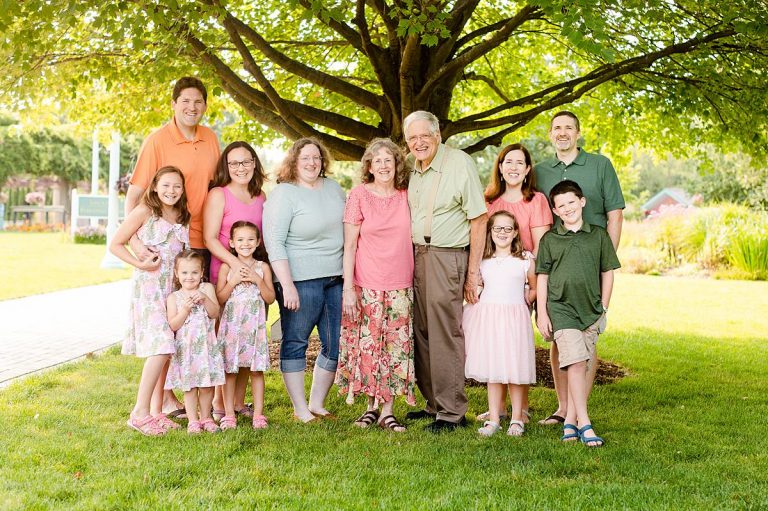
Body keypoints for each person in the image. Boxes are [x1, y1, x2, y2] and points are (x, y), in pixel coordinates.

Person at [125, 76, 221, 419]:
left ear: (205, 105)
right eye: (185, 101)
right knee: (168, 322)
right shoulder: (157, 140)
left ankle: (202, 395)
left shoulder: (211, 138)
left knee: (197, 318)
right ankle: (163, 400)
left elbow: (215, 186)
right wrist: (137, 244)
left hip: (200, 240)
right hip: (167, 249)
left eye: (198, 102)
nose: (192, 108)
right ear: (174, 104)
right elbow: (135, 195)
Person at [534, 110, 625, 426]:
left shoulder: (600, 165)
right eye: (557, 128)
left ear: (578, 133)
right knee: (560, 338)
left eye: (568, 128)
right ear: (550, 134)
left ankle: (578, 411)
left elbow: (615, 215)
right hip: (554, 268)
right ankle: (562, 409)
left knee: (588, 337)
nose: (562, 133)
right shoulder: (540, 171)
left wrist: (604, 262)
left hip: (590, 266)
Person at [403, 111, 488, 433]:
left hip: (446, 255)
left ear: (438, 135)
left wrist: (472, 273)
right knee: (421, 332)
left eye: (425, 135)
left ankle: (452, 411)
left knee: (444, 333)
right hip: (415, 256)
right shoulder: (412, 169)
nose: (419, 142)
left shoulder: (458, 163)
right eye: (413, 138)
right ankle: (433, 403)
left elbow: (478, 219)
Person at [263, 137, 346, 423]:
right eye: (306, 158)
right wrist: (286, 285)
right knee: (296, 340)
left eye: (317, 158)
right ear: (294, 162)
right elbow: (274, 242)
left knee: (335, 342)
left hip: (336, 277)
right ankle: (299, 408)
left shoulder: (334, 189)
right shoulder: (284, 194)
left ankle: (317, 403)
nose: (312, 163)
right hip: (300, 280)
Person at [335, 138, 416, 433]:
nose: (383, 165)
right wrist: (348, 288)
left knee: (395, 347)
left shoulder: (407, 196)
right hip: (366, 283)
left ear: (397, 165)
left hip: (400, 283)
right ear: (369, 166)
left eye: (389, 160)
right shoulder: (358, 195)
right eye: (377, 160)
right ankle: (370, 406)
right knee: (367, 345)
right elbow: (349, 246)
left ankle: (388, 410)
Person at [535, 180, 620, 447]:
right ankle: (585, 423)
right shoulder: (550, 239)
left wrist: (604, 307)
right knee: (574, 362)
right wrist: (542, 313)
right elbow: (542, 277)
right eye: (561, 205)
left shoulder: (598, 235)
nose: (567, 208)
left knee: (582, 364)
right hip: (561, 309)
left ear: (582, 202)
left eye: (571, 202)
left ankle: (570, 420)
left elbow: (608, 272)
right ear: (555, 211)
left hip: (591, 309)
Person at [109, 166, 190, 436]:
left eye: (177, 186)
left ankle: (156, 411)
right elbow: (116, 244)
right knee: (162, 346)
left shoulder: (181, 216)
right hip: (149, 288)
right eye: (166, 185)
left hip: (171, 290)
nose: (171, 191)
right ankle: (138, 413)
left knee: (167, 350)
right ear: (155, 186)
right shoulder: (145, 211)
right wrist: (139, 263)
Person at [477, 142, 553, 424]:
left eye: (519, 162)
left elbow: (542, 245)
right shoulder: (488, 200)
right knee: (497, 345)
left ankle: (520, 411)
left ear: (527, 169)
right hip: (495, 281)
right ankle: (499, 410)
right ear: (499, 166)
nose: (513, 167)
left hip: (524, 277)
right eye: (508, 162)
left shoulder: (536, 201)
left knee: (517, 346)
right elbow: (481, 241)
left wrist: (532, 288)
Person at [204, 141, 267, 421]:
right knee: (226, 341)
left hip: (253, 276)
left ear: (254, 163)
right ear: (226, 167)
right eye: (234, 163)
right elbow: (209, 238)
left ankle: (239, 403)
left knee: (247, 340)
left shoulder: (261, 196)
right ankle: (220, 404)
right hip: (227, 270)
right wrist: (235, 265)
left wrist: (255, 271)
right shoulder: (219, 194)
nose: (240, 168)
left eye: (245, 162)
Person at [464, 211, 537, 437]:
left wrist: (529, 296)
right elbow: (478, 286)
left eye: (507, 229)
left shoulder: (525, 259)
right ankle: (494, 418)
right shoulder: (483, 261)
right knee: (493, 368)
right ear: (490, 232)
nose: (502, 233)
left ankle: (517, 418)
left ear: (515, 232)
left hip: (515, 319)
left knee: (515, 368)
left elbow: (534, 287)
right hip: (490, 320)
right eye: (497, 229)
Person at [215, 221, 275, 430]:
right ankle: (229, 413)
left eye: (250, 239)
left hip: (254, 329)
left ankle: (258, 414)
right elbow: (220, 298)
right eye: (240, 239)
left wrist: (258, 280)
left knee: (256, 371)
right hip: (232, 328)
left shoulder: (262, 267)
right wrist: (232, 282)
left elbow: (270, 298)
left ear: (258, 242)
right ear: (232, 243)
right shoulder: (227, 267)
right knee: (230, 371)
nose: (245, 243)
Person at [165, 250, 224, 434]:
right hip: (187, 349)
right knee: (189, 387)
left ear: (201, 272)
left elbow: (215, 313)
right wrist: (185, 309)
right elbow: (173, 325)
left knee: (207, 385)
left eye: (194, 272)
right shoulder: (174, 298)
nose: (189, 277)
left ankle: (206, 418)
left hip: (206, 347)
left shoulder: (206, 289)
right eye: (184, 273)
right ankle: (193, 420)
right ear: (176, 273)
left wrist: (205, 299)